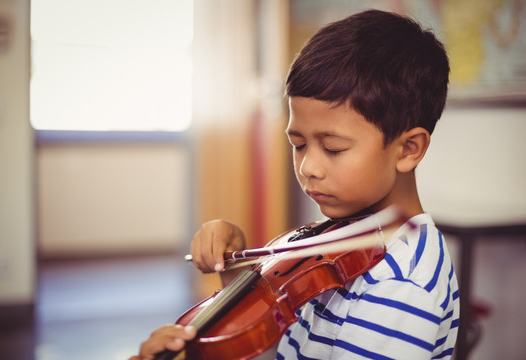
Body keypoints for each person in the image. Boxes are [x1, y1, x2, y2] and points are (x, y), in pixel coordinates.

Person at [130, 9, 459, 360]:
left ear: (408, 149)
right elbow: (281, 326)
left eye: (333, 148)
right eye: (298, 144)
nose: (308, 167)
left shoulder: (399, 285)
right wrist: (239, 268)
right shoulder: (344, 234)